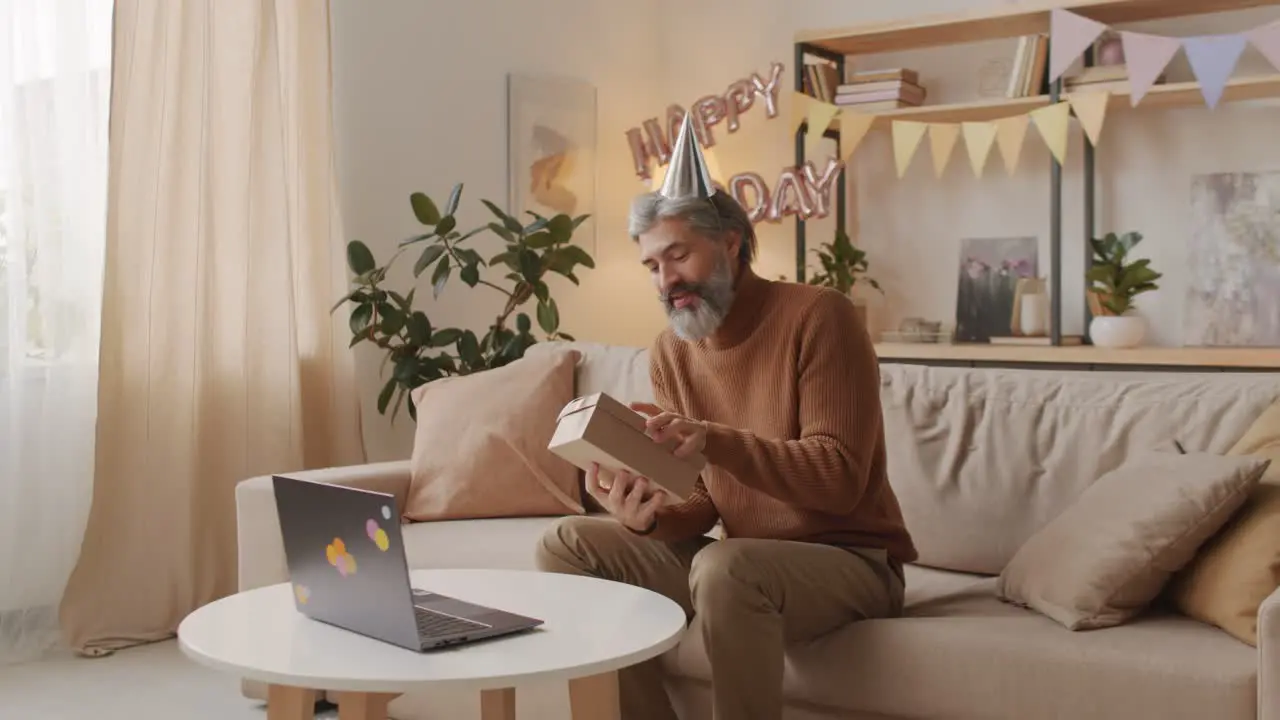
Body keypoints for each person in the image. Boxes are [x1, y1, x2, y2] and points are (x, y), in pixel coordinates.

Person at [534, 113, 917, 720]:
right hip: (740, 563)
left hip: (851, 561)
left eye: (678, 255)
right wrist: (645, 515)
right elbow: (705, 504)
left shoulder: (821, 316)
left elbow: (840, 479)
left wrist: (713, 441)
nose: (666, 281)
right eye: (653, 267)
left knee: (724, 566)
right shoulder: (671, 351)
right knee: (568, 545)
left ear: (731, 243)